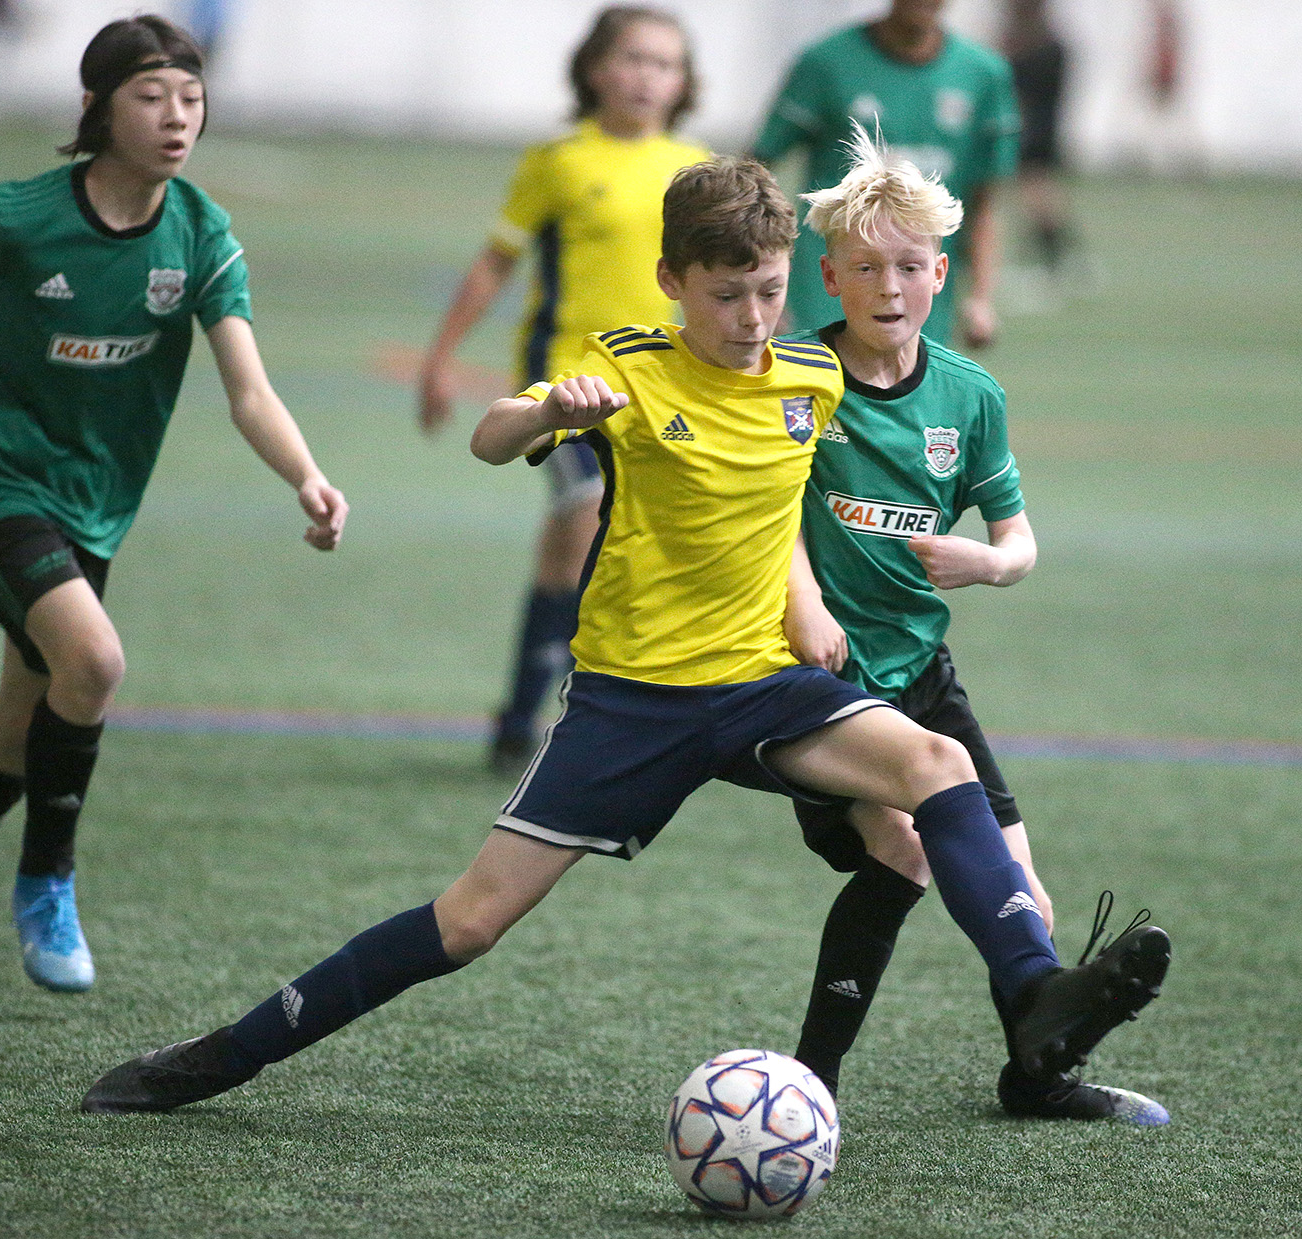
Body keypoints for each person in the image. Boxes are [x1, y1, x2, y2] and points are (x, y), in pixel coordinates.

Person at [81, 156, 1166, 1116]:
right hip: (632, 703)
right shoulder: (634, 369)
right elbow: (489, 436)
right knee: (468, 923)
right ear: (673, 286)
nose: (751, 319)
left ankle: (1034, 998)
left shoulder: (812, 377)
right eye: (727, 295)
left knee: (935, 768)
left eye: (770, 293)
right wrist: (553, 410)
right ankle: (222, 1057)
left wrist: (812, 600)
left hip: (763, 687)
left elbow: (795, 492)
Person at [0, 15, 348, 994]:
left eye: (191, 98)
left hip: (93, 501)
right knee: (96, 662)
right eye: (151, 97)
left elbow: (249, 390)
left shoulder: (199, 233)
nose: (176, 117)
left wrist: (306, 476)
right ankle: (46, 885)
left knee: (27, 717)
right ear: (98, 108)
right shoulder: (22, 215)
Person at [778, 123, 1168, 1124]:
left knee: (1025, 904)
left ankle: (1032, 1077)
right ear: (832, 276)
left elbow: (1021, 539)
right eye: (865, 268)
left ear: (941, 272)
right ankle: (811, 1081)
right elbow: (758, 520)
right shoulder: (796, 384)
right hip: (825, 685)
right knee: (900, 850)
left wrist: (987, 563)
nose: (889, 285)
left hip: (925, 677)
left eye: (909, 266)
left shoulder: (970, 396)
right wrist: (806, 604)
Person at [416, 5, 707, 773]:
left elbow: (723, 284)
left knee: (580, 550)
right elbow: (494, 264)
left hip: (659, 389)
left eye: (666, 64)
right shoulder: (560, 161)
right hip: (564, 381)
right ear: (596, 69)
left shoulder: (696, 169)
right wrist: (440, 357)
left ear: (684, 82)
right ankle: (582, 712)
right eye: (634, 59)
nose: (649, 76)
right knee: (585, 517)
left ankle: (519, 714)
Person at [753, 0, 1018, 348]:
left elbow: (983, 202)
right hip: (826, 287)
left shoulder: (983, 74)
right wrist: (763, 284)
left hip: (920, 290)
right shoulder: (825, 63)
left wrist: (980, 298)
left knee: (907, 390)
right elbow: (755, 177)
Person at [1003, 0, 1076, 278]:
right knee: (1037, 192)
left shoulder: (1040, 50)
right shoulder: (1052, 48)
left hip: (1035, 130)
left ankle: (1056, 255)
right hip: (1040, 127)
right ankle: (1051, 252)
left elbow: (1022, 91)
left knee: (1038, 191)